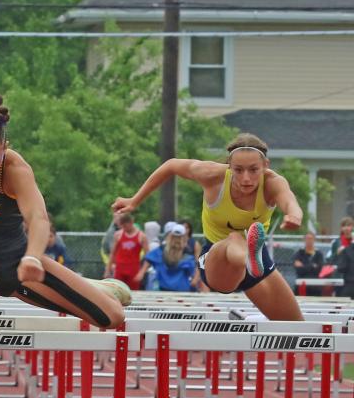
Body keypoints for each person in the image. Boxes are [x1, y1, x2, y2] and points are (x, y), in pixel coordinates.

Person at [0, 94, 129, 333]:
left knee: (112, 317)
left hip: (17, 263)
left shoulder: (15, 169)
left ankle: (96, 287)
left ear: (5, 147)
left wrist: (32, 257)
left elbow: (38, 218)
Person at [113, 132, 304, 320]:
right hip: (216, 259)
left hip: (257, 263)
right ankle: (247, 258)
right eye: (238, 170)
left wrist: (294, 215)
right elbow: (171, 165)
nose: (246, 178)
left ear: (265, 166)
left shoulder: (273, 183)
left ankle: (250, 267)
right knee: (234, 237)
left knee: (298, 329)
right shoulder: (212, 175)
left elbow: (289, 201)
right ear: (229, 167)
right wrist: (135, 200)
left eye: (253, 170)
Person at [137, 223, 198, 292]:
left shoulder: (187, 254)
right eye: (175, 237)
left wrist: (195, 279)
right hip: (163, 288)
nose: (176, 240)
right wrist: (141, 273)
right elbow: (149, 259)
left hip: (181, 290)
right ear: (171, 236)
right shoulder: (161, 250)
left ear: (184, 238)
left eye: (179, 237)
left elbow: (197, 266)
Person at [103, 213, 148, 290]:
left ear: (131, 223)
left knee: (133, 295)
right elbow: (112, 253)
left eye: (125, 226)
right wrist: (108, 270)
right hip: (119, 269)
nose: (124, 229)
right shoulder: (118, 235)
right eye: (122, 226)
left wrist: (142, 272)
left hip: (133, 270)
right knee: (118, 292)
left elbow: (148, 257)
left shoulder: (141, 236)